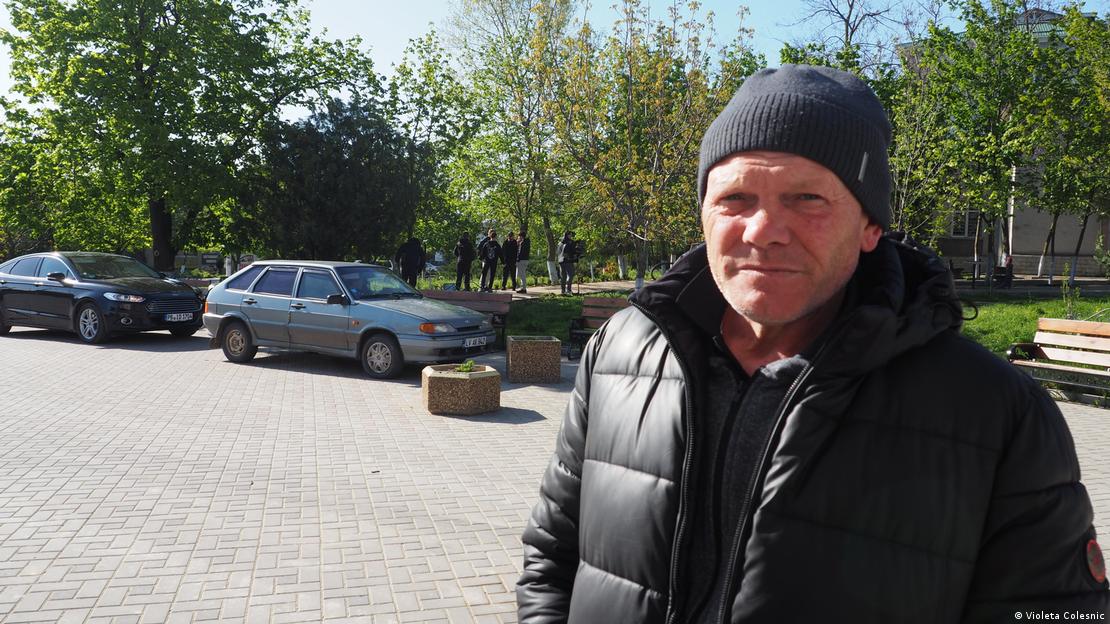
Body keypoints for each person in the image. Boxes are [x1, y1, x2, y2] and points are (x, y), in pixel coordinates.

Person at [517, 65, 1108, 623]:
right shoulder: (620, 353)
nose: (763, 231)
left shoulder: (994, 413)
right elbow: (552, 555)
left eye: (807, 200)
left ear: (870, 226)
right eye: (735, 198)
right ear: (703, 214)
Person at [515, 229, 531, 294]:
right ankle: (523, 288)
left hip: (521, 260)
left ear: (521, 236)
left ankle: (523, 288)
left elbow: (520, 252)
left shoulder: (522, 243)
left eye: (519, 236)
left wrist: (517, 259)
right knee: (522, 274)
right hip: (525, 260)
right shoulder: (527, 242)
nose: (518, 237)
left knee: (522, 275)